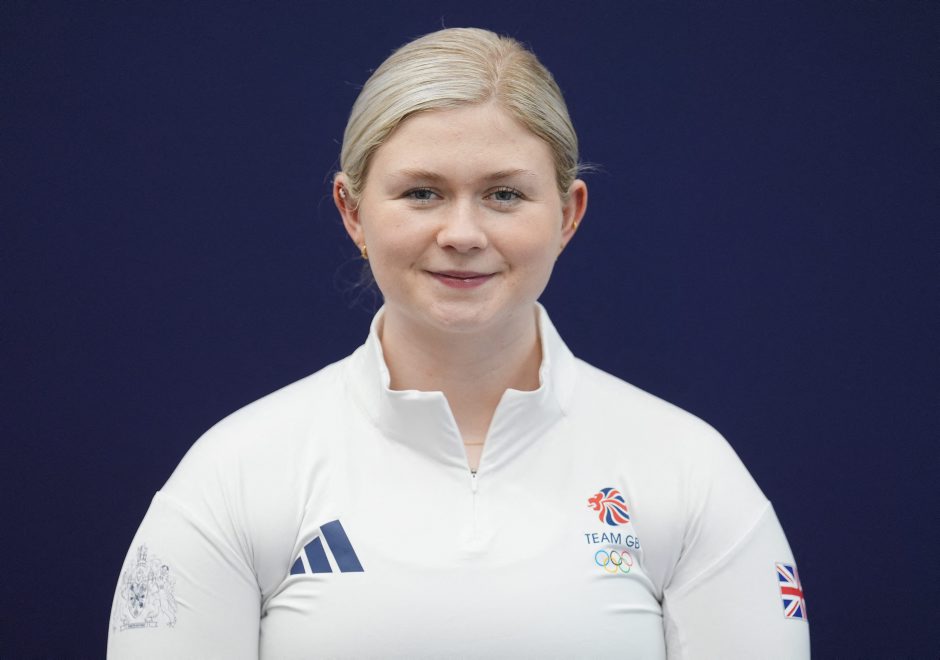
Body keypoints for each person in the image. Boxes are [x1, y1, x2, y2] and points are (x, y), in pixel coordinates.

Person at [108, 27, 810, 659]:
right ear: (352, 211)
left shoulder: (690, 472)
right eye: (422, 193)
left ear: (568, 215)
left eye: (504, 195)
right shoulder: (235, 474)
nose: (463, 234)